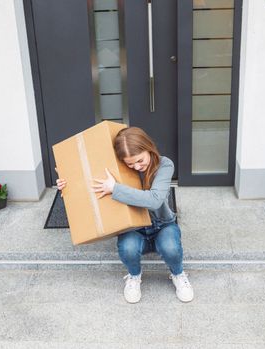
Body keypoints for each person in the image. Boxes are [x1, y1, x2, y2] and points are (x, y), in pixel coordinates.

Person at [56, 126, 194, 303]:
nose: (136, 166)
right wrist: (68, 185)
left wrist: (115, 188)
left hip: (162, 225)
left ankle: (178, 274)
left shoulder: (164, 164)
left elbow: (154, 200)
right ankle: (134, 276)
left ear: (148, 148)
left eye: (140, 161)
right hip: (133, 227)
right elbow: (88, 174)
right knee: (127, 249)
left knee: (171, 248)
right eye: (130, 164)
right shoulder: (118, 167)